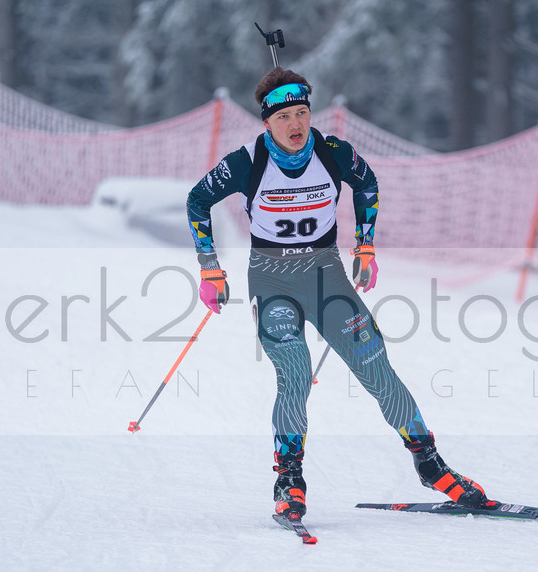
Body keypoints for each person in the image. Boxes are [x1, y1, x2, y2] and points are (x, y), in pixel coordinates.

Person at [186, 67, 492, 519]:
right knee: (295, 368)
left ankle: (429, 463)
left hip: (326, 272)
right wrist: (210, 268)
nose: (296, 125)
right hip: (272, 279)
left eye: (303, 112)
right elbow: (197, 200)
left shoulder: (333, 153)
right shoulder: (247, 162)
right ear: (267, 123)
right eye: (285, 116)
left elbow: (367, 185)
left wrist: (365, 243)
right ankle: (289, 479)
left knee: (376, 366)